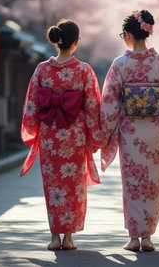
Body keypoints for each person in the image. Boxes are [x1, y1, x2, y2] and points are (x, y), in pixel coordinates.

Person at [100, 10, 159, 252]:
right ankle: (147, 237)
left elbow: (109, 102)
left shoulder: (120, 64)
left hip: (130, 132)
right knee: (153, 183)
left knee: (133, 183)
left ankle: (134, 238)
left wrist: (103, 131)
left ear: (127, 34)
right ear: (148, 32)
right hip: (156, 131)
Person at [20, 19, 103, 251]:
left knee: (53, 185)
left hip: (49, 135)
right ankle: (68, 238)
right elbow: (92, 106)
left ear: (57, 41)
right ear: (75, 43)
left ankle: (54, 238)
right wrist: (95, 137)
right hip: (74, 136)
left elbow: (32, 105)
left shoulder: (41, 69)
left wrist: (33, 130)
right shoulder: (84, 70)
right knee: (74, 185)